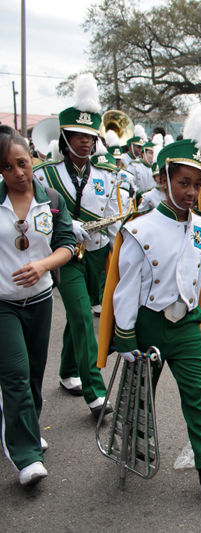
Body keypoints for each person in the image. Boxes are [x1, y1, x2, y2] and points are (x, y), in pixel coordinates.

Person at [99, 105, 201, 495]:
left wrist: (195, 314)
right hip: (147, 325)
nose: (191, 192)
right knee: (138, 396)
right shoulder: (140, 229)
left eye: (197, 184)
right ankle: (130, 445)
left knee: (198, 395)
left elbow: (198, 277)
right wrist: (125, 336)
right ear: (163, 180)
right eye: (183, 183)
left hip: (186, 326)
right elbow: (125, 288)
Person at [32, 74, 116, 418]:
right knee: (83, 316)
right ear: (65, 138)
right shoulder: (45, 174)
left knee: (77, 317)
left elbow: (113, 218)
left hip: (96, 253)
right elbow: (36, 216)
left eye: (90, 136)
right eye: (78, 136)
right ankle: (95, 393)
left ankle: (68, 373)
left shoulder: (108, 173)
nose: (85, 142)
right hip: (63, 255)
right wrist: (66, 224)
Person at [0, 126, 75, 485]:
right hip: (3, 305)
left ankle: (27, 425)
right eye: (6, 167)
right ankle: (26, 455)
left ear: (32, 159)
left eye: (22, 163)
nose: (17, 173)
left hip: (41, 300)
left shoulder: (53, 199)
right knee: (14, 376)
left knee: (32, 374)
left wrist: (43, 265)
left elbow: (66, 245)